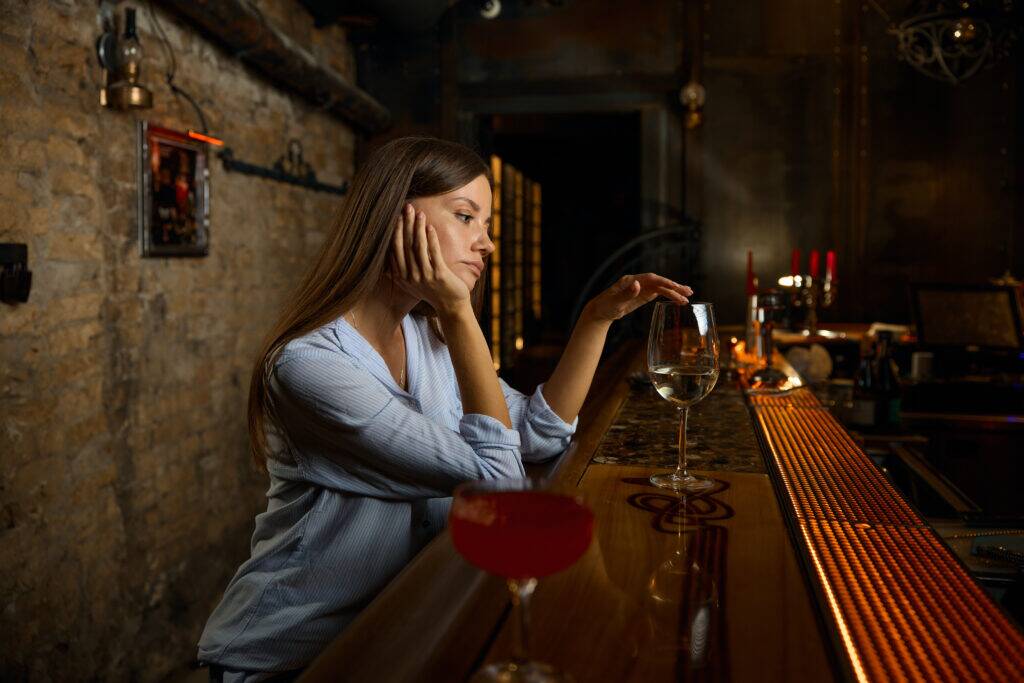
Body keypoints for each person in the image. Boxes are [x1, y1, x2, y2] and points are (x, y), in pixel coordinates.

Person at [197, 137, 692, 681]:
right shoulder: (308, 366)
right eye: (466, 217)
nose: (487, 246)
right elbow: (500, 489)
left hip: (400, 632)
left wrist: (597, 319)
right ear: (395, 217)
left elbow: (537, 435)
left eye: (488, 226)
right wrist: (459, 314)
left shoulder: (427, 337)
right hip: (292, 659)